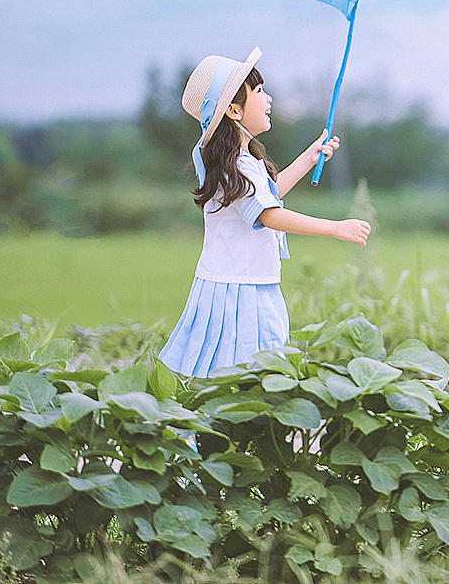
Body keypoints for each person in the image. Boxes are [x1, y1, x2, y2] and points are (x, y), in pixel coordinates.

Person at [159, 46, 371, 377]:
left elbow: (268, 195)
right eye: (258, 91)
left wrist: (309, 157)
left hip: (241, 281)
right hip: (240, 288)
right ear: (233, 110)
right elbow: (268, 214)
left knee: (233, 367)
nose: (268, 98)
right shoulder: (238, 165)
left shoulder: (240, 162)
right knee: (251, 366)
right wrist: (335, 228)